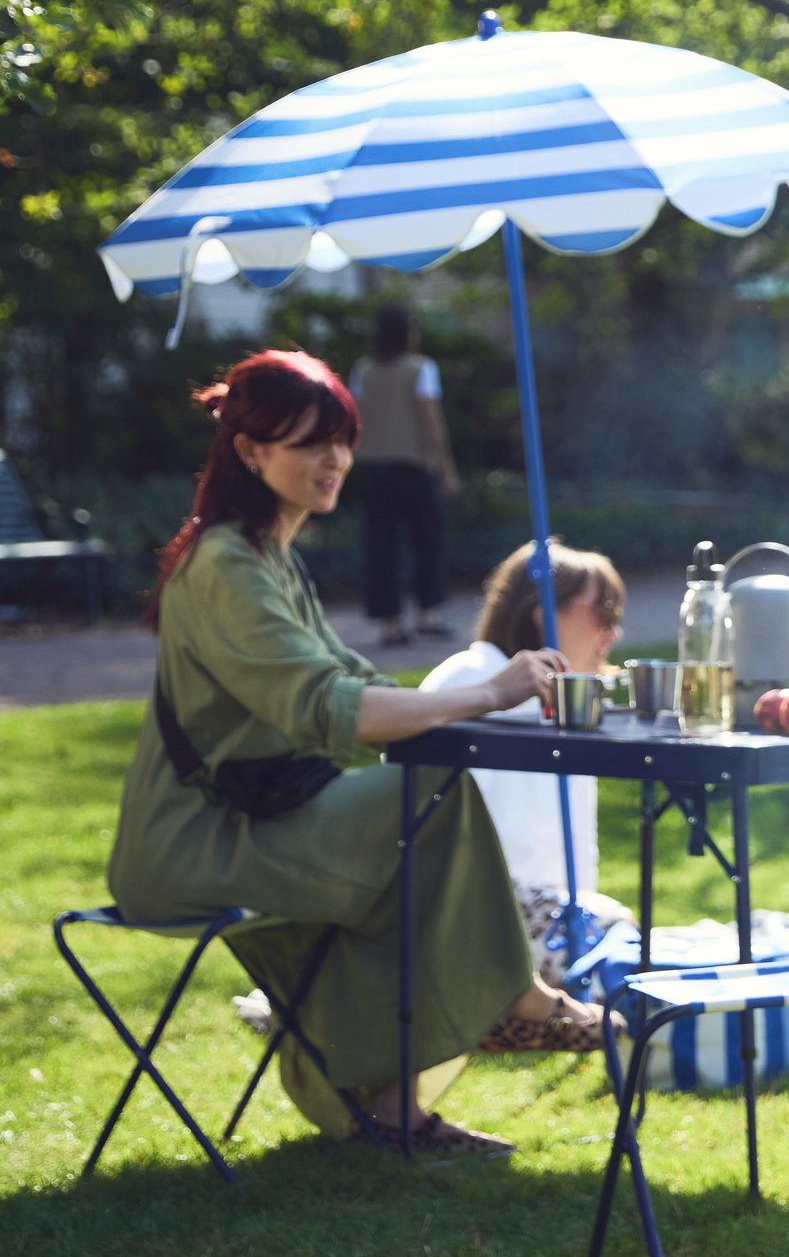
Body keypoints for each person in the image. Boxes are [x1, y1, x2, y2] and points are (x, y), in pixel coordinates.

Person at [107, 350, 612, 1159]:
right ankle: (515, 999)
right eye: (308, 443)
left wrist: (461, 701)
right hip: (196, 840)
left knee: (422, 814)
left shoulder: (268, 557)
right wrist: (486, 693)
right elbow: (331, 707)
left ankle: (392, 1103)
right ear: (250, 452)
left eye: (341, 439)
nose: (333, 459)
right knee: (421, 799)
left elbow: (355, 678)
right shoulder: (228, 565)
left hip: (263, 815)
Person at [421, 540, 635, 983]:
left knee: (629, 948)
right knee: (627, 954)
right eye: (605, 612)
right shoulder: (471, 681)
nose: (614, 633)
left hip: (542, 913)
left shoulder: (566, 700)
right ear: (544, 612)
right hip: (475, 916)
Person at [348, 302, 460, 648]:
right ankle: (428, 614)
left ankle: (390, 623)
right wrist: (446, 468)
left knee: (381, 546)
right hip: (412, 465)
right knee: (426, 541)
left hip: (372, 467)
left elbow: (355, 416)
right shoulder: (421, 368)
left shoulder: (363, 370)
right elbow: (431, 422)